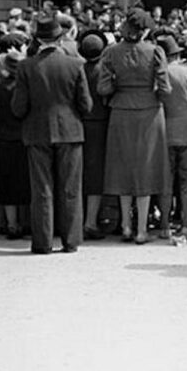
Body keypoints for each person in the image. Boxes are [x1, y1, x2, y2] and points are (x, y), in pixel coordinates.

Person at [11, 16, 93, 254]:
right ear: (61, 38)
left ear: (37, 39)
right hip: (70, 130)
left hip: (37, 131)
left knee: (41, 189)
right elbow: (86, 105)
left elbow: (19, 107)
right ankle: (70, 241)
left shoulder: (26, 66)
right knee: (70, 188)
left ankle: (43, 242)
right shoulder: (76, 64)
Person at [97, 8, 172, 245]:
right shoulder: (155, 51)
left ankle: (126, 226)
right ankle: (141, 230)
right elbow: (165, 88)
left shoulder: (111, 52)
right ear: (145, 29)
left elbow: (103, 88)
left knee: (122, 167)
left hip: (121, 111)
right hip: (149, 111)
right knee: (146, 168)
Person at [155, 34, 187, 242]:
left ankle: (165, 226)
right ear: (177, 53)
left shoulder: (158, 74)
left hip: (163, 132)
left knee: (166, 182)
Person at [0, 50, 31, 239]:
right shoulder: (28, 87)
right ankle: (26, 222)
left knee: (6, 183)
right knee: (25, 183)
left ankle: (11, 225)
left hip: (3, 138)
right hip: (25, 138)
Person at [77, 29, 110, 240]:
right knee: (96, 175)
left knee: (79, 174)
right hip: (101, 124)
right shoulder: (105, 70)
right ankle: (91, 221)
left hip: (80, 123)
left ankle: (79, 220)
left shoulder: (77, 68)